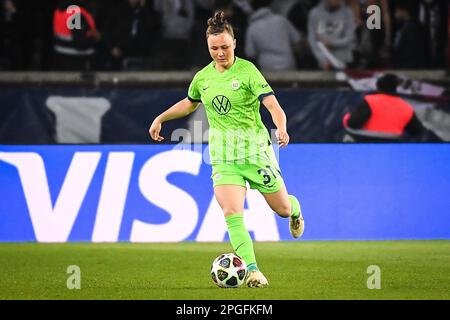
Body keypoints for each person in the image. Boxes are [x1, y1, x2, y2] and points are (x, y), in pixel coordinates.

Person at [149, 11, 304, 288]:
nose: (220, 53)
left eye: (224, 47)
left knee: (280, 209)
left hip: (256, 153)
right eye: (214, 48)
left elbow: (272, 105)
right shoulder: (203, 77)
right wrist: (161, 117)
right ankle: (253, 271)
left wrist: (281, 127)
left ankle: (295, 209)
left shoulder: (248, 71)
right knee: (232, 213)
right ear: (207, 47)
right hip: (223, 157)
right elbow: (189, 102)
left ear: (235, 43)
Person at [343, 74, 425, 142]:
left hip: (366, 143)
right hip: (391, 146)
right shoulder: (406, 107)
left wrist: (347, 118)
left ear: (378, 87)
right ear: (396, 88)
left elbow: (353, 124)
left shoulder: (371, 101)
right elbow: (416, 131)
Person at [245, 0, 302, 71]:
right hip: (287, 63)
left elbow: (250, 53)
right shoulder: (281, 20)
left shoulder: (252, 27)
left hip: (267, 67)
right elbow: (298, 40)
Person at [52, 0, 101, 71]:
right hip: (75, 60)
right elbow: (80, 43)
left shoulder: (61, 9)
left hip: (60, 56)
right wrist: (96, 40)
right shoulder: (76, 14)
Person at [307, 0, 356, 70]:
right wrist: (322, 60)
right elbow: (312, 40)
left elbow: (350, 38)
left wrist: (331, 43)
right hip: (322, 62)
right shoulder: (314, 13)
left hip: (343, 61)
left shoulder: (348, 13)